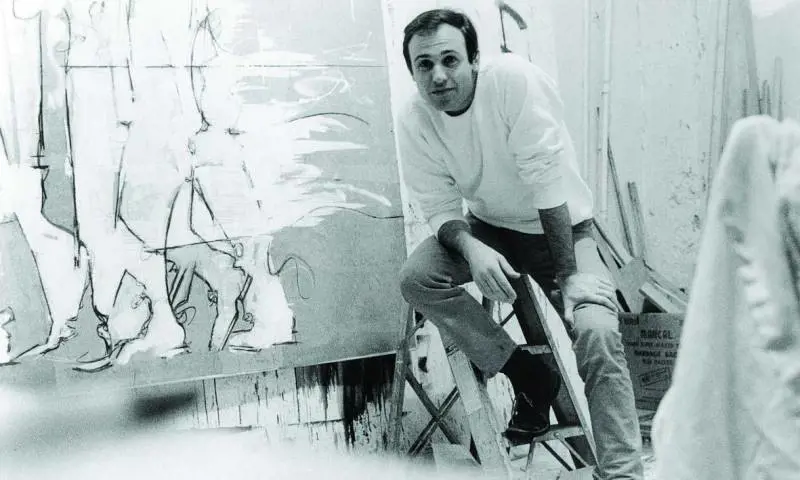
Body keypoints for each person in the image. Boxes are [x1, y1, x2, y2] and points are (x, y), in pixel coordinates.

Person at [396, 9, 644, 479]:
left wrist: (569, 276)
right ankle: (528, 375)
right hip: (490, 227)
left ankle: (623, 472)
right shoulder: (413, 118)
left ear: (474, 59)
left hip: (562, 231)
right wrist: (474, 249)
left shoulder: (513, 81)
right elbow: (438, 206)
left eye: (450, 60)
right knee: (417, 278)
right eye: (424, 65)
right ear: (413, 72)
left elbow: (547, 181)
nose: (439, 76)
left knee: (596, 331)